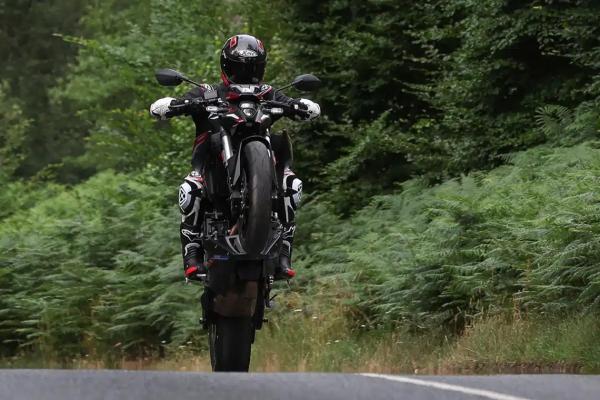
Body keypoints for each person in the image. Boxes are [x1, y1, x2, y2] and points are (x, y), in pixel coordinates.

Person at [149, 34, 320, 281]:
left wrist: (300, 106)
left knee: (292, 186)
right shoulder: (208, 92)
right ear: (227, 66)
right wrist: (178, 104)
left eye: (252, 68)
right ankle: (192, 254)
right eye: (240, 67)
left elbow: (306, 106)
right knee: (190, 190)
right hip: (210, 167)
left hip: (266, 168)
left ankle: (284, 252)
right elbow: (159, 107)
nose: (246, 73)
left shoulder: (269, 93)